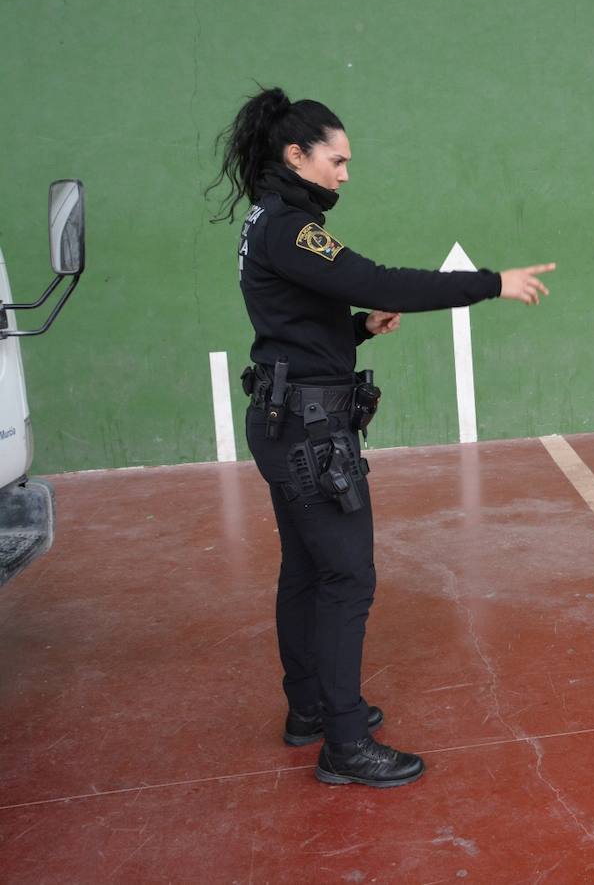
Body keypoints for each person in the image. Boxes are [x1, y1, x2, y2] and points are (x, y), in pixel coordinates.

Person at [207, 86, 553, 786]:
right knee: (346, 577)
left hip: (288, 415)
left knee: (307, 571)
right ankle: (343, 744)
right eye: (335, 160)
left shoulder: (270, 219)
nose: (344, 173)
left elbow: (294, 320)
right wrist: (489, 283)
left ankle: (310, 709)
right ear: (295, 154)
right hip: (308, 429)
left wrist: (358, 328)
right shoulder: (291, 228)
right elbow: (371, 276)